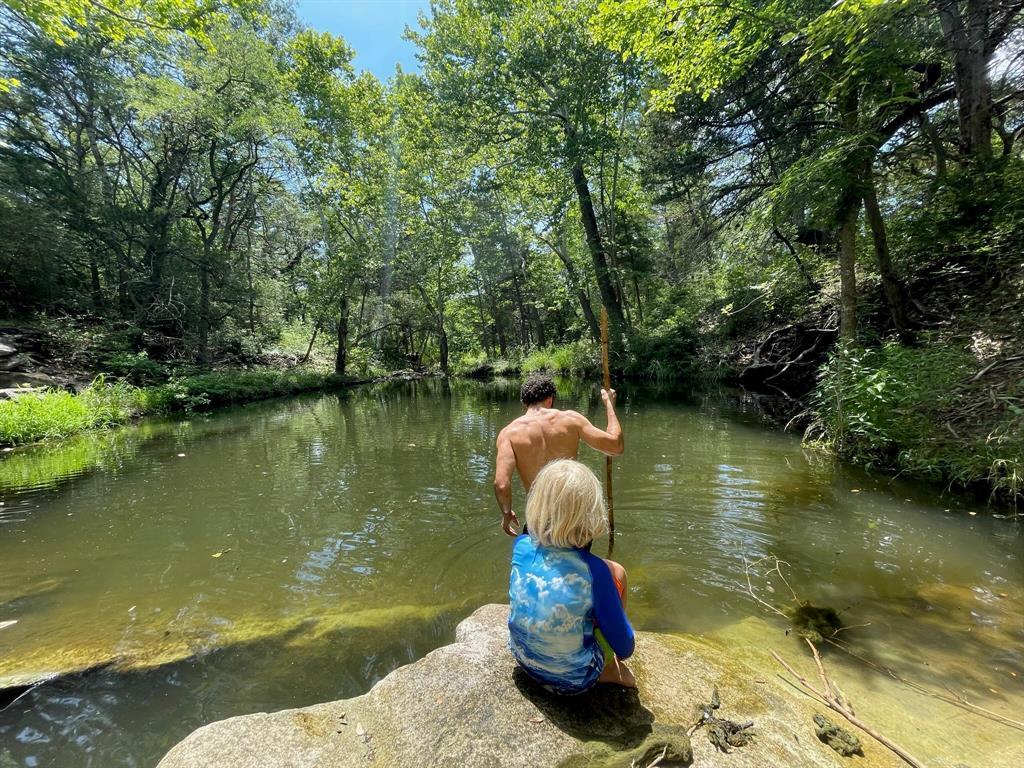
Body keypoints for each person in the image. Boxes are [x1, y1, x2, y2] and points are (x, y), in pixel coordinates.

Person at [508, 459, 635, 693]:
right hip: (574, 679)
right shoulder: (596, 572)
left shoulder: (521, 545)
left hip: (523, 658)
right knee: (618, 572)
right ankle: (608, 669)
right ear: (592, 515)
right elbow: (626, 648)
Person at [494, 373, 623, 536]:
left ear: (524, 403)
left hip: (540, 520)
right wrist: (609, 405)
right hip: (574, 517)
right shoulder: (571, 420)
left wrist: (506, 513)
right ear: (550, 399)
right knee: (578, 561)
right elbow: (616, 446)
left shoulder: (508, 433)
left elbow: (501, 484)